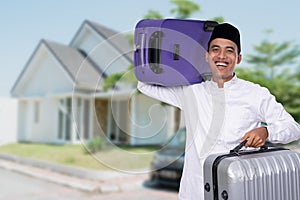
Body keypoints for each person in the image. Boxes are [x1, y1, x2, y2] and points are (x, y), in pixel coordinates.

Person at [137, 23, 300, 200]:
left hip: (238, 191)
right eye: (215, 49)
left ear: (238, 58)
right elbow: (144, 84)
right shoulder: (191, 91)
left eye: (229, 50)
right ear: (207, 56)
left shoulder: (255, 93)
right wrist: (155, 46)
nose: (221, 56)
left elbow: (293, 128)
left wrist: (266, 131)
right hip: (194, 193)